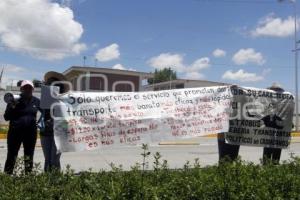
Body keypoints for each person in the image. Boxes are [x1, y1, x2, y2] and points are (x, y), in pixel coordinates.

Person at [4, 80, 40, 174]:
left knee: (29, 155)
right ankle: (7, 177)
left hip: (31, 133)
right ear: (21, 89)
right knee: (12, 155)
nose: (27, 89)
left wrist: (41, 122)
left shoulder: (36, 101)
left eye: (29, 88)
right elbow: (6, 117)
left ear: (33, 89)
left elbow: (46, 113)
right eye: (25, 88)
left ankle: (28, 177)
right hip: (15, 133)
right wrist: (12, 106)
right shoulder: (14, 100)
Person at [39, 71, 69, 172]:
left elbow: (68, 119)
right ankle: (47, 182)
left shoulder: (65, 102)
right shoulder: (43, 100)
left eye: (55, 84)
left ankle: (55, 182)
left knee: (54, 160)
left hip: (59, 133)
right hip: (45, 133)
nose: (51, 85)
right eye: (49, 83)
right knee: (47, 159)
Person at [262, 82, 285, 165]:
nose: (276, 93)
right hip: (268, 137)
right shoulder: (266, 104)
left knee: (276, 159)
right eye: (274, 91)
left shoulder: (284, 105)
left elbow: (286, 120)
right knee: (266, 158)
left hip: (279, 137)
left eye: (278, 91)